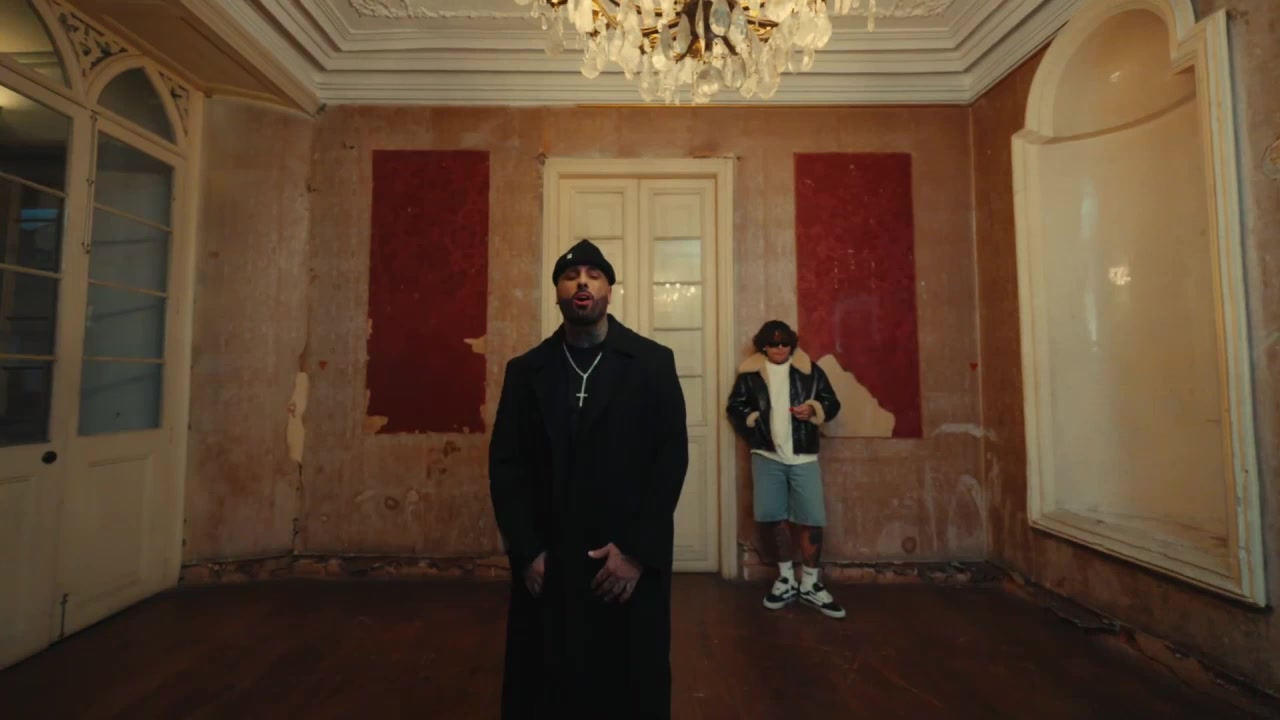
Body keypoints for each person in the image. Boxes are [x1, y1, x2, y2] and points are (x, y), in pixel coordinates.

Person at [489, 238, 689, 719]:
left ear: (608, 291)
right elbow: (507, 465)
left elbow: (669, 461)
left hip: (625, 561)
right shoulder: (526, 371)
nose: (582, 282)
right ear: (558, 292)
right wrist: (527, 551)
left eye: (594, 275)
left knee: (629, 684)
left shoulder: (652, 363)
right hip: (550, 560)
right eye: (570, 275)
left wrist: (636, 552)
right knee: (546, 685)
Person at [726, 320, 845, 618]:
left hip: (803, 455)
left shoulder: (809, 371)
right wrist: (753, 419)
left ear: (792, 344)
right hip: (766, 455)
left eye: (785, 343)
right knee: (772, 517)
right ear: (763, 346)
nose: (780, 348)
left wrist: (814, 408)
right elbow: (734, 407)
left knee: (811, 518)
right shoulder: (750, 375)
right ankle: (786, 579)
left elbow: (832, 402)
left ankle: (811, 583)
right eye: (774, 343)